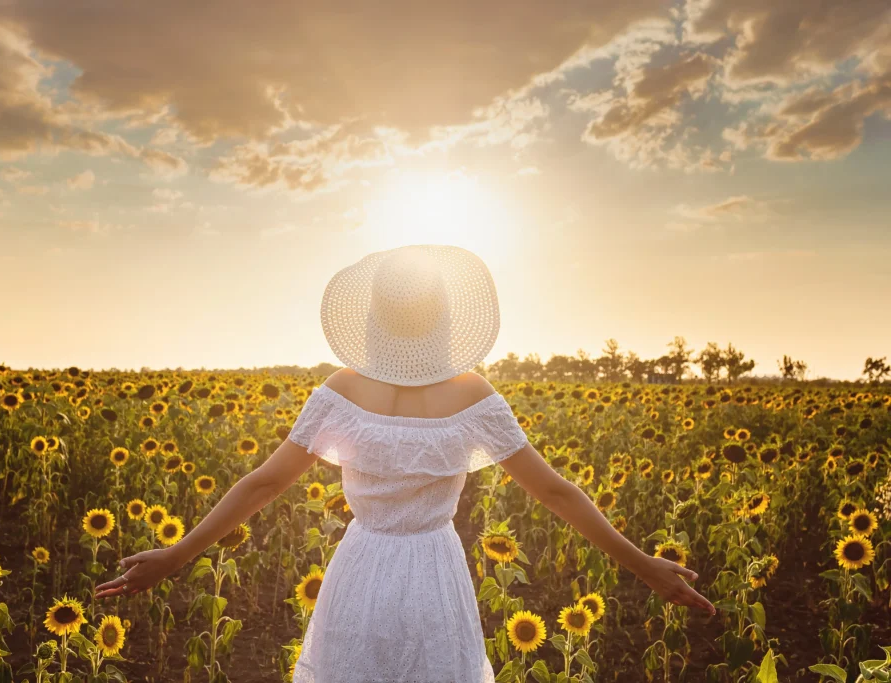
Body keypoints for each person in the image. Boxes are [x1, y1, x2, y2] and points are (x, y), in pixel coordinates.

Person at [95, 244, 715, 682]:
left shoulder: (341, 389)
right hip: (433, 571)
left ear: (374, 317)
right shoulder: (473, 394)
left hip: (360, 568)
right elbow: (556, 493)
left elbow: (265, 483)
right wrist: (643, 566)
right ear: (445, 316)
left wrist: (176, 556)